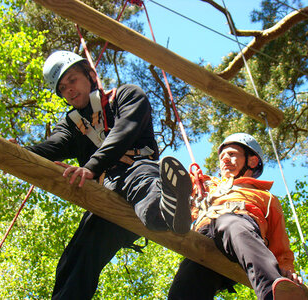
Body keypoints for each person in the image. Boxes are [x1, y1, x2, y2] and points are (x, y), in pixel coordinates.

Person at [20, 50, 192, 299]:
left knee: (144, 185)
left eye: (72, 79)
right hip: (106, 195)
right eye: (62, 88)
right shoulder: (72, 125)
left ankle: (169, 207)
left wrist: (90, 168)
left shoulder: (125, 96)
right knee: (76, 257)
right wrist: (18, 151)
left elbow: (124, 131)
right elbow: (53, 146)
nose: (69, 90)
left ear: (90, 75)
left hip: (137, 169)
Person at [168, 133, 306, 300]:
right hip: (203, 240)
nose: (225, 159)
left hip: (240, 237)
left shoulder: (266, 197)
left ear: (252, 161)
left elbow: (279, 239)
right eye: (222, 156)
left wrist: (287, 269)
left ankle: (272, 292)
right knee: (186, 281)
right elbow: (178, 182)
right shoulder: (207, 185)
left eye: (232, 154)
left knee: (232, 224)